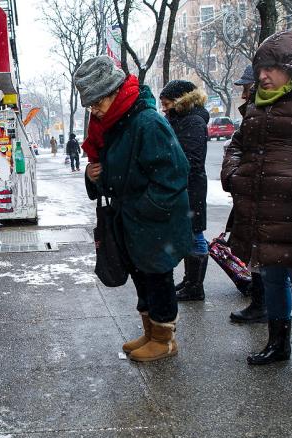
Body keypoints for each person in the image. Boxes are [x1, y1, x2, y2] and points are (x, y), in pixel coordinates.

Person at [75, 55, 192, 362]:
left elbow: (174, 174)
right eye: (90, 104)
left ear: (115, 93)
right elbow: (112, 169)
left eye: (98, 101)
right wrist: (93, 175)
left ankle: (165, 339)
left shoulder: (147, 122)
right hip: (131, 218)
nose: (94, 110)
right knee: (142, 275)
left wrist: (145, 208)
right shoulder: (114, 123)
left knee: (157, 276)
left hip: (153, 219)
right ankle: (151, 331)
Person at [221, 31, 292, 380]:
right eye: (259, 67)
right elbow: (236, 145)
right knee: (273, 280)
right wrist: (233, 173)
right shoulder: (256, 102)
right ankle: (277, 344)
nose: (262, 75)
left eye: (270, 68)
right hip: (261, 210)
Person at [226, 64, 269, 324]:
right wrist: (235, 176)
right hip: (252, 193)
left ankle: (265, 304)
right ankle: (261, 302)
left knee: (265, 254)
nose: (243, 94)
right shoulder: (252, 113)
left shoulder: (265, 112)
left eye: (246, 88)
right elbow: (236, 147)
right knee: (257, 253)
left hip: (264, 197)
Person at [159, 80, 210, 301]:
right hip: (183, 187)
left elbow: (192, 159)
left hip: (191, 188)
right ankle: (190, 281)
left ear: (180, 100)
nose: (163, 108)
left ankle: (195, 286)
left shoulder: (194, 121)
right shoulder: (179, 119)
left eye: (166, 103)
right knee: (190, 234)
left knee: (195, 234)